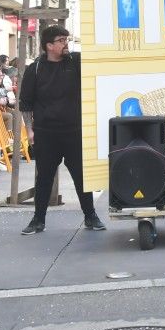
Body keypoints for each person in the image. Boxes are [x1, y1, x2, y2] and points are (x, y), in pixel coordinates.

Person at [19, 25, 106, 234]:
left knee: (81, 176)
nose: (66, 43)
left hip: (74, 130)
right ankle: (38, 219)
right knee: (44, 177)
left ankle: (90, 216)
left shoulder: (75, 62)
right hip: (46, 132)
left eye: (66, 39)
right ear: (49, 45)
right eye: (61, 40)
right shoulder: (36, 69)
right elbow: (26, 103)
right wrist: (30, 130)